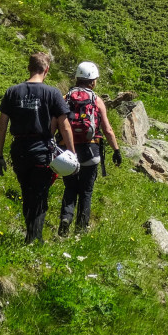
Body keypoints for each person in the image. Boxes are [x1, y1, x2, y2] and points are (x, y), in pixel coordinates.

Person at [0, 52, 75, 244]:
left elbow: (2, 125)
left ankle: (31, 236)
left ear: (29, 68)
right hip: (42, 150)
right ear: (46, 69)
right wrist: (72, 152)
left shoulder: (12, 92)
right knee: (39, 195)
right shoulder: (52, 93)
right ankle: (34, 239)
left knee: (27, 191)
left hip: (19, 150)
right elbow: (64, 125)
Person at [58, 61, 122, 236]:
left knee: (70, 187)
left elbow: (57, 124)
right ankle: (81, 230)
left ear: (77, 78)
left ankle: (65, 219)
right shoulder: (96, 100)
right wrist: (116, 150)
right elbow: (108, 129)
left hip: (68, 152)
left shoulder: (66, 97)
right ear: (92, 81)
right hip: (90, 150)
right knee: (86, 191)